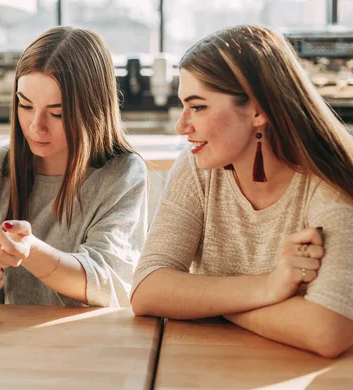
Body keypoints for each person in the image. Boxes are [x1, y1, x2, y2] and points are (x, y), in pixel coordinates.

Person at [131, 25, 353, 358]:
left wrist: (203, 303)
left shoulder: (329, 181)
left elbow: (327, 330)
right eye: (183, 106)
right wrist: (271, 287)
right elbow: (147, 289)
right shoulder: (197, 168)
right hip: (212, 369)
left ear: (258, 111)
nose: (182, 126)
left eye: (199, 107)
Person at [0, 26, 148, 307]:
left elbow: (111, 285)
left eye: (57, 113)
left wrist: (29, 251)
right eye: (25, 106)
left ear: (93, 109)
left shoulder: (122, 173)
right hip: (1, 343)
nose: (36, 127)